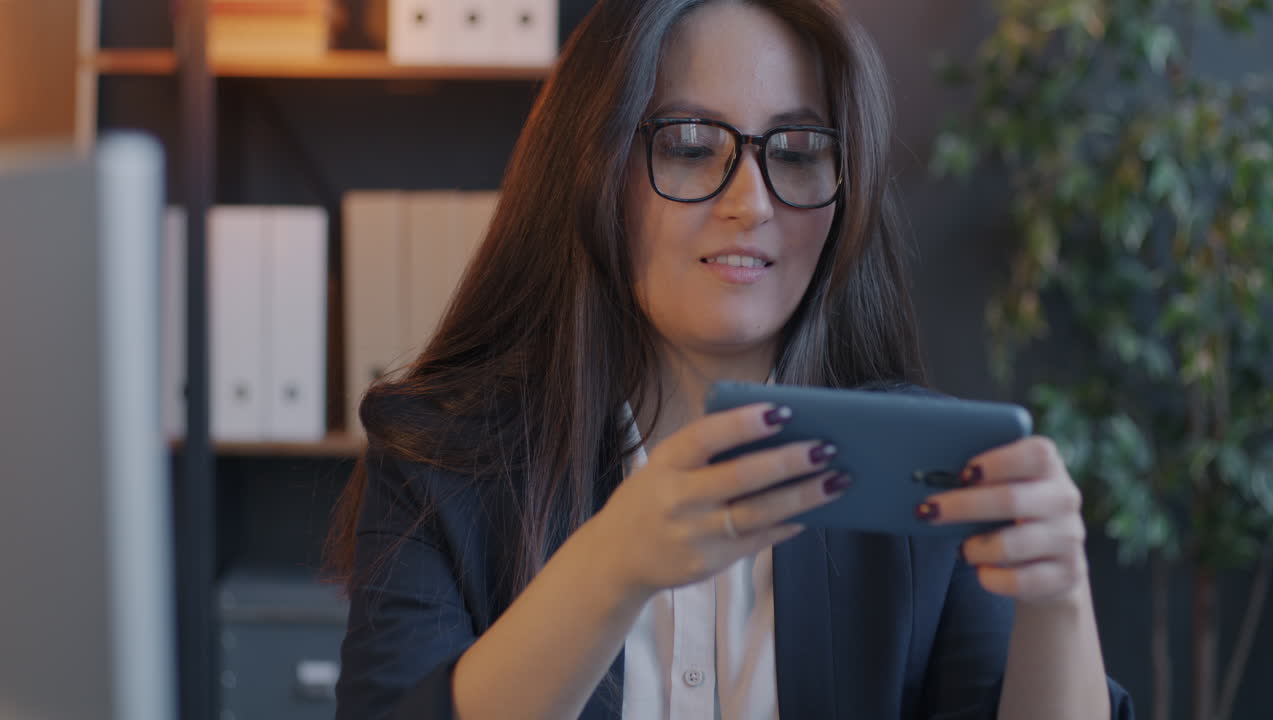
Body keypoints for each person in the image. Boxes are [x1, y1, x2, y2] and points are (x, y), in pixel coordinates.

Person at [326, 1, 1136, 718]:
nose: (750, 202)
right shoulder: (438, 459)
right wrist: (615, 566)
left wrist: (1059, 602)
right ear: (592, 167)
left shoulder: (933, 479)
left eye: (795, 151)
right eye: (687, 145)